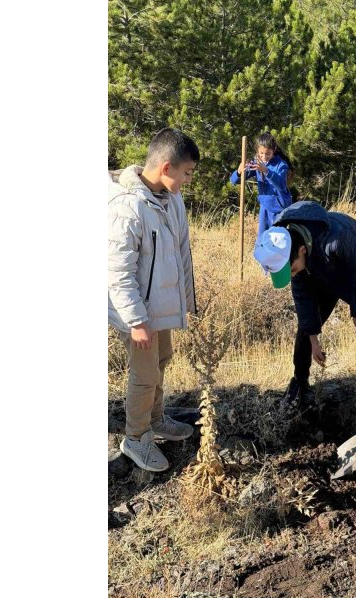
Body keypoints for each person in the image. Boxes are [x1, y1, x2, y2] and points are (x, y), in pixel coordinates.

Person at [252, 200, 356, 413]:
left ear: (302, 250)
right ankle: (300, 382)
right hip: (320, 271)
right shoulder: (293, 254)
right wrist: (313, 337)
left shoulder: (337, 239)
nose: (292, 274)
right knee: (305, 327)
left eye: (292, 270)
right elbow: (304, 300)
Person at [108, 128, 201, 472]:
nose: (189, 180)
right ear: (166, 168)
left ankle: (157, 418)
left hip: (159, 307)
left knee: (163, 358)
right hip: (136, 315)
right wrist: (136, 321)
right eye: (187, 173)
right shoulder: (127, 207)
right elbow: (117, 272)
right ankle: (136, 438)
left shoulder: (171, 198)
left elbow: (179, 254)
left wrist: (183, 303)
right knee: (144, 375)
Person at [230, 132, 294, 235]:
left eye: (268, 154)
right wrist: (239, 171)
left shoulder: (281, 165)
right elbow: (234, 180)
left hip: (279, 209)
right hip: (265, 207)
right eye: (261, 153)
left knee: (278, 240)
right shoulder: (256, 162)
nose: (264, 157)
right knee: (263, 240)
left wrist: (266, 171)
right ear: (257, 151)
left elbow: (281, 185)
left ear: (274, 150)